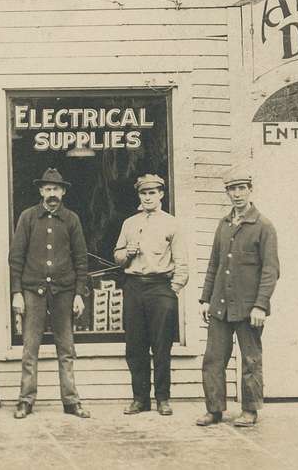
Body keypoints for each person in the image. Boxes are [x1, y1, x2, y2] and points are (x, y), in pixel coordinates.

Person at [196, 167, 279, 428]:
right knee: (213, 358)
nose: (237, 194)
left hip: (248, 307)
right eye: (232, 189)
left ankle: (250, 410)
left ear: (250, 190)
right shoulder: (223, 224)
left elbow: (271, 270)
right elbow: (214, 264)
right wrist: (205, 298)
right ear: (227, 193)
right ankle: (214, 409)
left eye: (242, 188)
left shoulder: (263, 226)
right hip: (220, 305)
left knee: (250, 359)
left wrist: (260, 305)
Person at [9, 167, 90, 420]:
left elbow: (81, 260)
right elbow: (16, 258)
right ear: (40, 191)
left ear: (63, 191)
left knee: (65, 349)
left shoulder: (72, 219)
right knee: (29, 348)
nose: (51, 193)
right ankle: (25, 400)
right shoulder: (28, 217)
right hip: (33, 290)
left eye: (56, 189)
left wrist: (79, 294)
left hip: (64, 292)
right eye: (47, 189)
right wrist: (17, 293)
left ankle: (71, 401)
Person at [114, 174, 189, 416]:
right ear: (139, 196)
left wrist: (173, 290)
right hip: (134, 286)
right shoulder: (129, 223)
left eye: (152, 193)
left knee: (161, 347)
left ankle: (163, 399)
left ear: (161, 195)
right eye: (143, 193)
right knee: (135, 347)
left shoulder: (172, 224)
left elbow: (182, 263)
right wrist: (127, 252)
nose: (148, 197)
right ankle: (140, 399)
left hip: (160, 288)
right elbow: (117, 257)